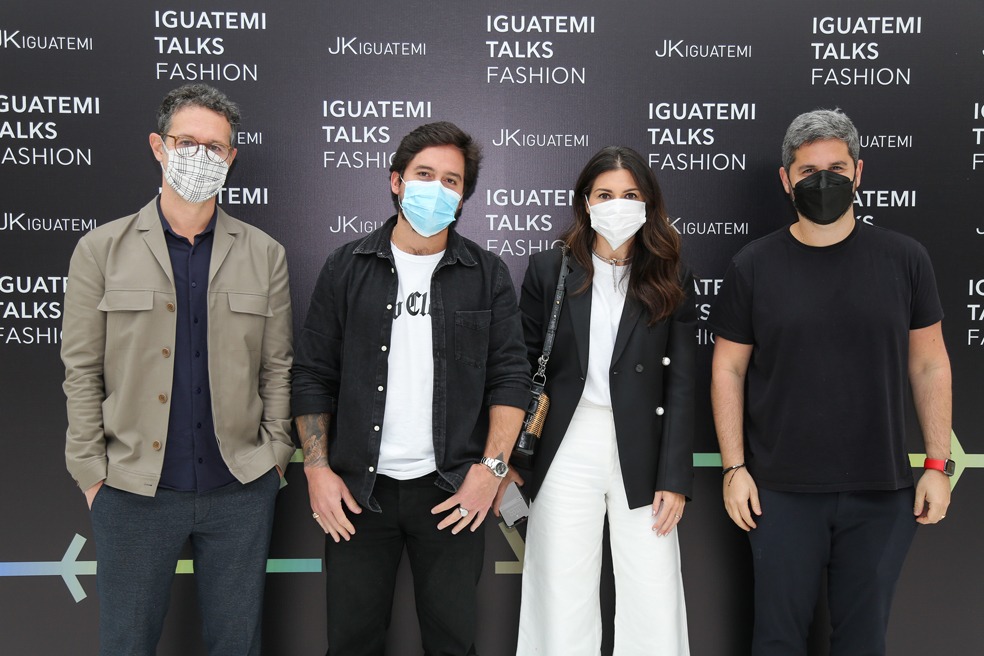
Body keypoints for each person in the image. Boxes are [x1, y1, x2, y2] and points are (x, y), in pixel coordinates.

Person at [708, 109, 953, 655]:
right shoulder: (753, 265)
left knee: (863, 641)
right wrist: (734, 468)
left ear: (858, 172)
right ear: (786, 179)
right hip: (778, 492)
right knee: (776, 641)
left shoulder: (906, 259)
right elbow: (728, 368)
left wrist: (938, 466)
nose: (823, 181)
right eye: (808, 170)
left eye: (836, 168)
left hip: (881, 490)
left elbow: (930, 365)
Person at [61, 83, 293, 656]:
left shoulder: (265, 254)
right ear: (158, 147)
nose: (200, 156)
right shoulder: (100, 250)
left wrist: (274, 458)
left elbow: (277, 367)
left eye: (214, 147)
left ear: (231, 157)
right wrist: (92, 472)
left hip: (240, 489)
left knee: (236, 644)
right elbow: (82, 369)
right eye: (186, 142)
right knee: (127, 644)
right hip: (131, 490)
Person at [291, 121, 530, 656]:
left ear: (463, 197)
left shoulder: (486, 274)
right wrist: (316, 469)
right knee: (350, 644)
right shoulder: (346, 266)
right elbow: (312, 374)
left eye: (451, 180)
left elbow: (509, 379)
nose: (436, 188)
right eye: (424, 174)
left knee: (453, 644)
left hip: (452, 490)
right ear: (396, 181)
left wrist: (490, 471)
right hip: (357, 491)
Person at [515, 145, 695, 655]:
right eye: (605, 194)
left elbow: (682, 383)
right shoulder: (550, 268)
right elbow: (521, 365)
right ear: (586, 202)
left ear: (649, 203)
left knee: (653, 590)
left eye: (631, 195)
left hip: (644, 445)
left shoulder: (670, 272)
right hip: (567, 439)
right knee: (560, 587)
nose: (618, 205)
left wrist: (674, 478)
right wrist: (510, 455)